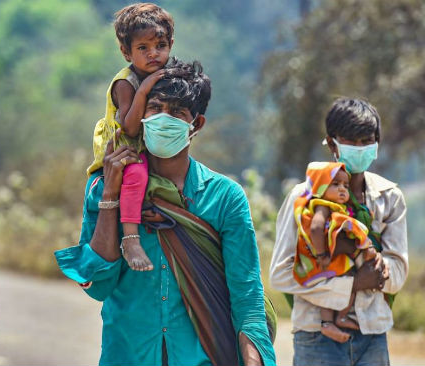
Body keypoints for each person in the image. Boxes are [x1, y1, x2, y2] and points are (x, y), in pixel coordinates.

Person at [56, 59, 276, 366]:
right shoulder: (105, 186)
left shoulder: (225, 197)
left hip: (201, 357)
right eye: (154, 108)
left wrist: (254, 359)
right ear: (139, 112)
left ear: (195, 124)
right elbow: (99, 285)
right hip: (128, 354)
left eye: (176, 113)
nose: (163, 119)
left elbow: (246, 290)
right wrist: (110, 195)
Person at [270, 98, 408, 366]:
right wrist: (355, 283)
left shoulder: (389, 198)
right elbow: (281, 274)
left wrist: (376, 269)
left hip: (373, 333)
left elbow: (398, 273)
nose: (359, 148)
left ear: (377, 143)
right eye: (350, 141)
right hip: (315, 336)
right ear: (332, 144)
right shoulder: (304, 197)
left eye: (366, 141)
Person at [86, 3, 175, 271]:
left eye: (160, 45)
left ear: (171, 44)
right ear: (126, 52)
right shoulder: (127, 83)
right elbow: (130, 128)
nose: (153, 54)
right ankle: (131, 238)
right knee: (137, 176)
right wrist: (145, 89)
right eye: (143, 48)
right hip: (123, 148)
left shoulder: (163, 74)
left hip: (145, 147)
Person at [292, 161, 377, 343]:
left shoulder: (339, 208)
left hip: (334, 255)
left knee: (347, 281)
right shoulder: (322, 205)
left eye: (346, 186)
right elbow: (315, 229)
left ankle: (340, 317)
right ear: (320, 187)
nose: (342, 190)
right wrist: (322, 254)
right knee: (331, 285)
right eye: (335, 184)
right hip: (324, 258)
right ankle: (328, 322)